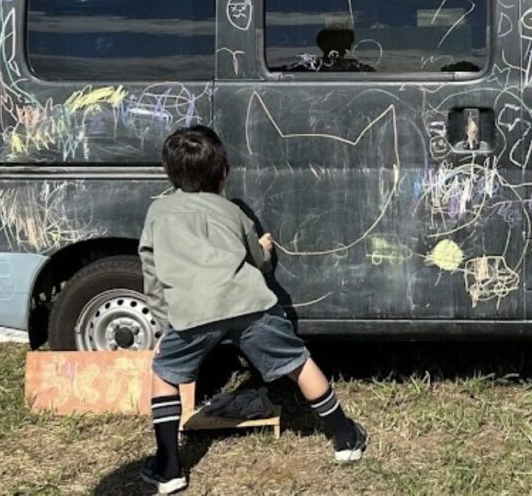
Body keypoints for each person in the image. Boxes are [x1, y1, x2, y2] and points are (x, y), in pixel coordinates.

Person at [140, 126, 366, 493]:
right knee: (298, 362)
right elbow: (257, 260)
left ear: (169, 173)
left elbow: (151, 272)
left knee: (165, 372)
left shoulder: (159, 211)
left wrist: (167, 322)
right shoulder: (231, 211)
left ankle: (169, 465)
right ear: (223, 174)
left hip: (192, 313)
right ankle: (345, 436)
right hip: (249, 304)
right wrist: (264, 246)